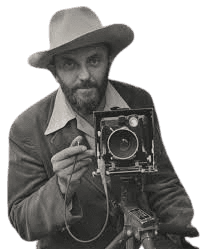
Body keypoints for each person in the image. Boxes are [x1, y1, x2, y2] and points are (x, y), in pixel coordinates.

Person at [7, 6, 199, 249]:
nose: (84, 75)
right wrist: (61, 186)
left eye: (94, 60)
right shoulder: (27, 127)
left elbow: (162, 180)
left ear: (110, 59)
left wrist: (178, 231)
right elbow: (22, 221)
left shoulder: (138, 101)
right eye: (69, 65)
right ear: (54, 73)